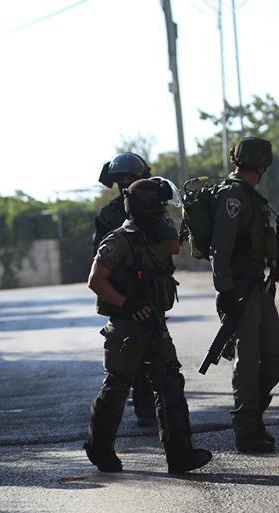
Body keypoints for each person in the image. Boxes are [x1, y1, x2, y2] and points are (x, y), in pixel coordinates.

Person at [85, 177, 212, 474]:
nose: (164, 212)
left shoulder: (154, 235)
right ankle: (100, 451)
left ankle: (180, 455)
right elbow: (95, 280)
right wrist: (126, 303)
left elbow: (174, 247)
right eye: (160, 207)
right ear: (148, 208)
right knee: (117, 387)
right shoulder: (119, 239)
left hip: (154, 323)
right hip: (127, 327)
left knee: (170, 383)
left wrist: (170, 221)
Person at [209, 136, 279, 454]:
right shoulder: (233, 196)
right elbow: (220, 247)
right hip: (240, 290)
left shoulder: (250, 196)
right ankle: (246, 429)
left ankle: (253, 416)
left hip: (257, 286)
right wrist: (224, 291)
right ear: (262, 165)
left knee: (275, 356)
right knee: (249, 361)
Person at [93, 152, 172, 430]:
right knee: (128, 363)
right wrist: (124, 300)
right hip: (125, 298)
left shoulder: (155, 209)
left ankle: (165, 422)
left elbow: (171, 247)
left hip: (149, 293)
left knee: (162, 364)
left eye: (130, 179)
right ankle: (143, 411)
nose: (126, 184)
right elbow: (99, 265)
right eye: (122, 180)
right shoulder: (109, 216)